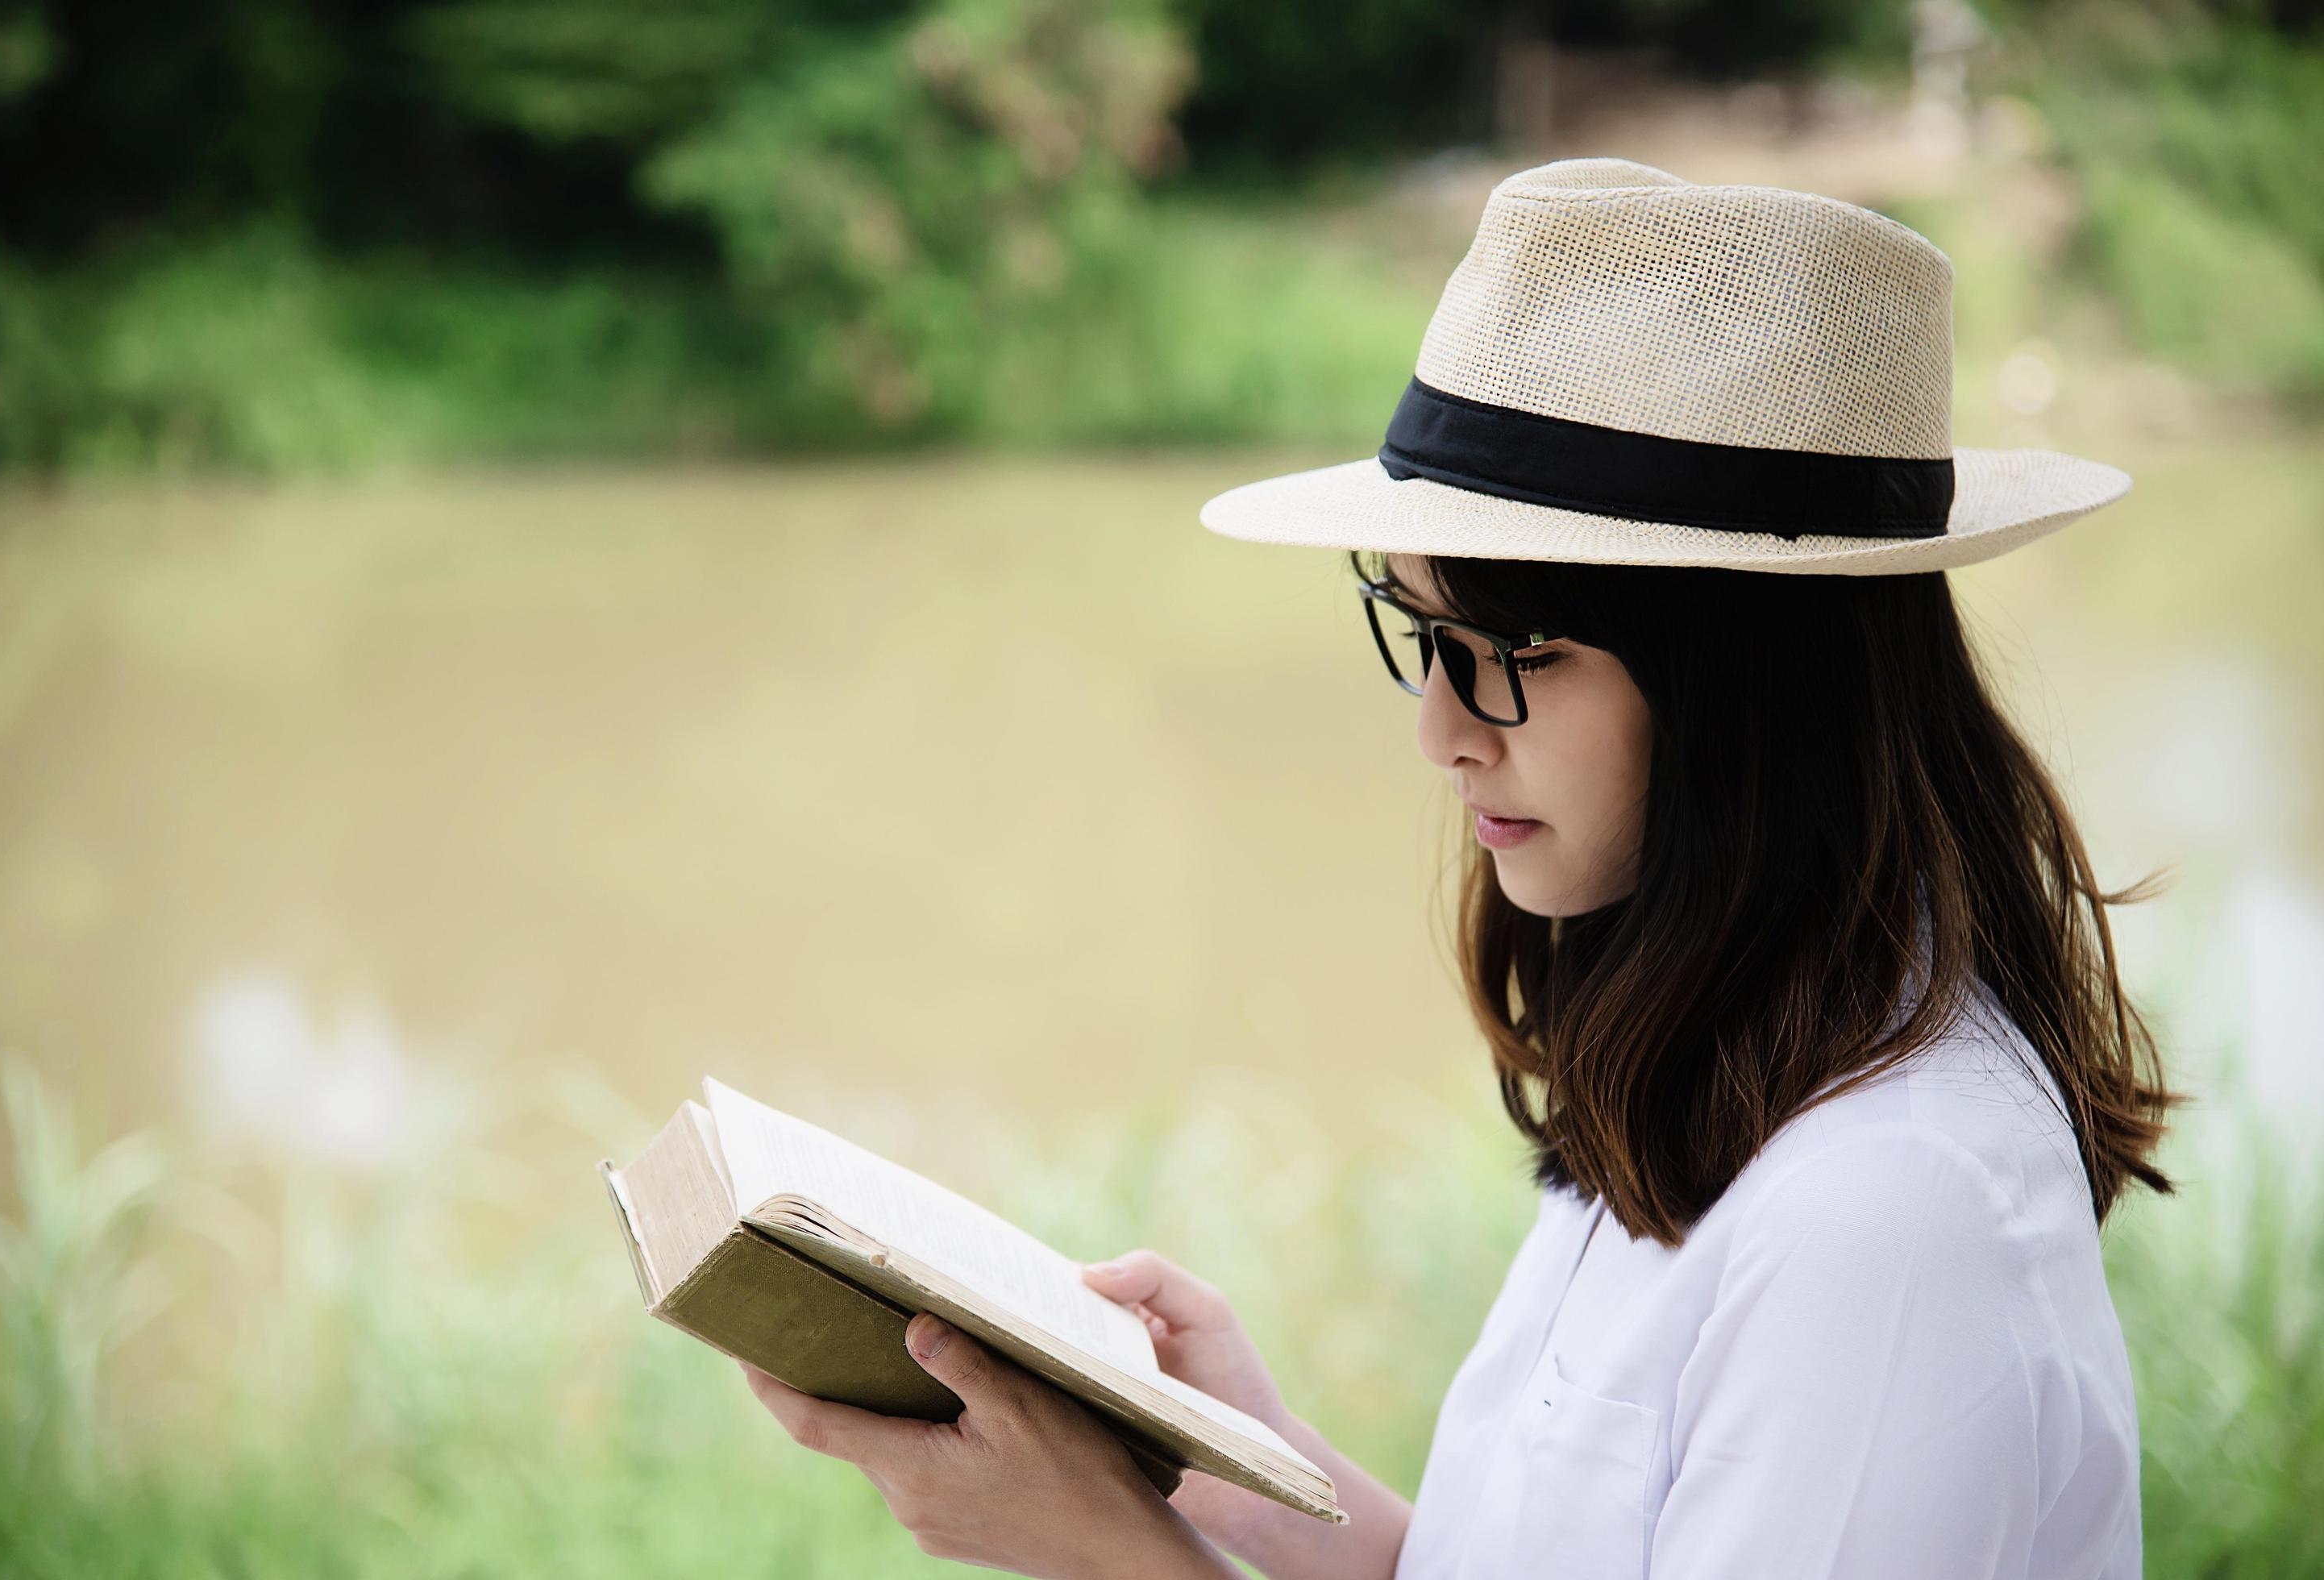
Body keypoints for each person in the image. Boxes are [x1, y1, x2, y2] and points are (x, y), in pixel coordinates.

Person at [736, 156, 2181, 1579]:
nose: (1440, 735)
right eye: (1428, 639)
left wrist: (1116, 1559)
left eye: (1519, 658)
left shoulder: (1889, 1215)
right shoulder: (1705, 1046)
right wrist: (1239, 1463)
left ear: (1758, 701)